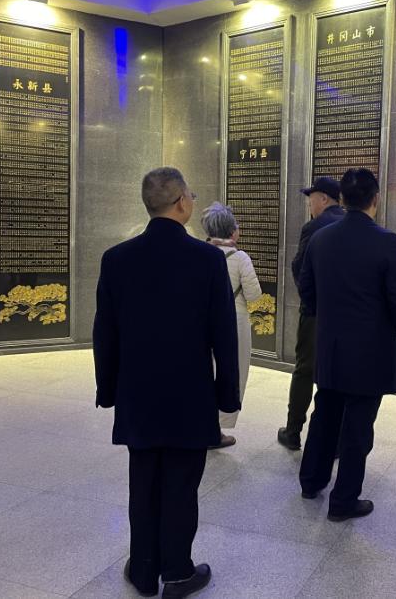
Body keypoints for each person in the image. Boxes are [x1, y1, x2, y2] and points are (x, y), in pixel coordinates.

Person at [93, 167, 240, 598]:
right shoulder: (207, 260)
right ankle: (177, 571)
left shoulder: (117, 259)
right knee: (181, 485)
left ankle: (143, 570)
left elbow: (106, 333)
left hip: (137, 394)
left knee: (142, 483)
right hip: (189, 395)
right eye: (190, 194)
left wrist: (108, 389)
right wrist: (227, 395)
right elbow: (223, 335)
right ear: (181, 203)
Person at [297, 168, 396, 521]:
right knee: (358, 426)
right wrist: (394, 328)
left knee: (325, 414)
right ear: (375, 199)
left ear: (342, 199)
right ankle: (344, 500)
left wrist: (325, 319)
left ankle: (311, 481)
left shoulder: (321, 238)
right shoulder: (386, 241)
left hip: (330, 345)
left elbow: (306, 290)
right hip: (370, 351)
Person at [278, 176, 345, 450]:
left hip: (316, 313)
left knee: (305, 369)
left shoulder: (314, 227)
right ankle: (336, 440)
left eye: (311, 199)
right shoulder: (352, 224)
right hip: (346, 317)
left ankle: (293, 431)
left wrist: (310, 302)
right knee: (338, 375)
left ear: (324, 198)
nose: (309, 204)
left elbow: (299, 268)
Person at [201, 201, 263, 449]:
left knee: (204, 372)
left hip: (202, 321)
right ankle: (217, 429)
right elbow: (255, 295)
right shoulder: (239, 258)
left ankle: (200, 423)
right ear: (231, 230)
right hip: (234, 320)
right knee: (232, 372)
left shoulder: (200, 253)